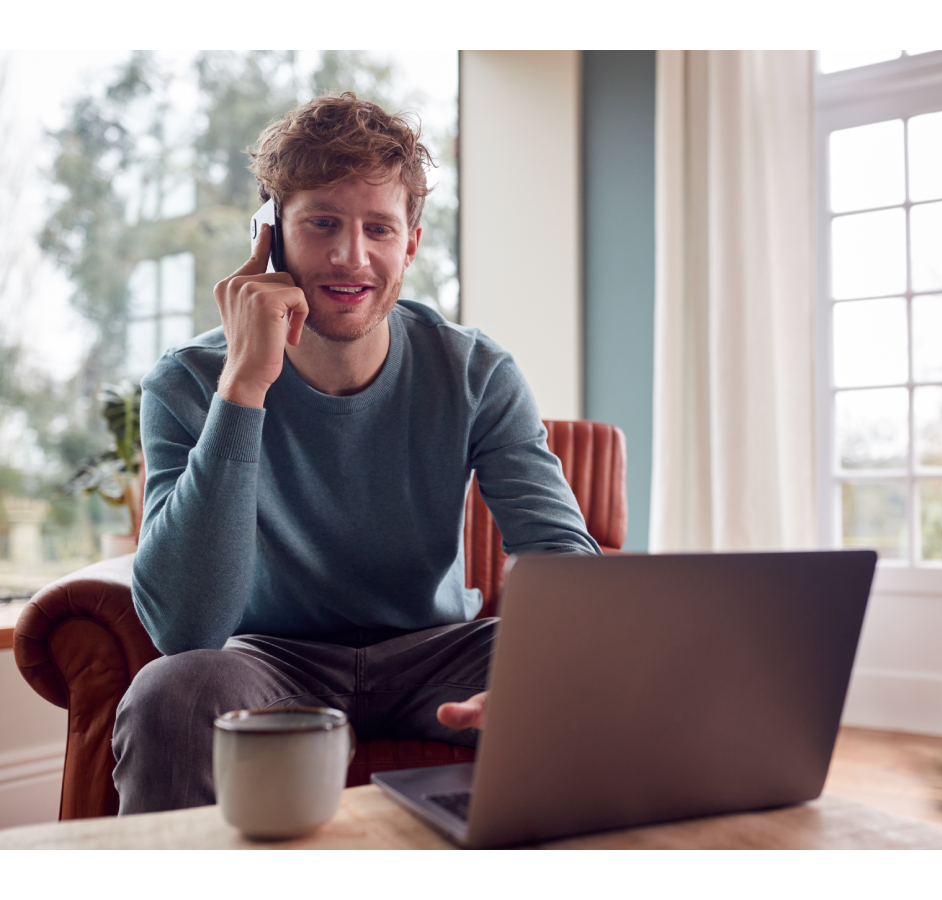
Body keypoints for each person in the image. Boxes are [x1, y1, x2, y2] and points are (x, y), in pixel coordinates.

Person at [111, 93, 601, 814]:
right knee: (171, 693)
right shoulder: (187, 381)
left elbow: (563, 561)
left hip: (437, 651)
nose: (351, 255)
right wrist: (245, 384)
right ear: (270, 236)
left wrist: (550, 668)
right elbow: (186, 628)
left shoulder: (474, 371)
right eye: (322, 223)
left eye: (379, 228)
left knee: (608, 678)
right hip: (269, 658)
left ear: (410, 244)